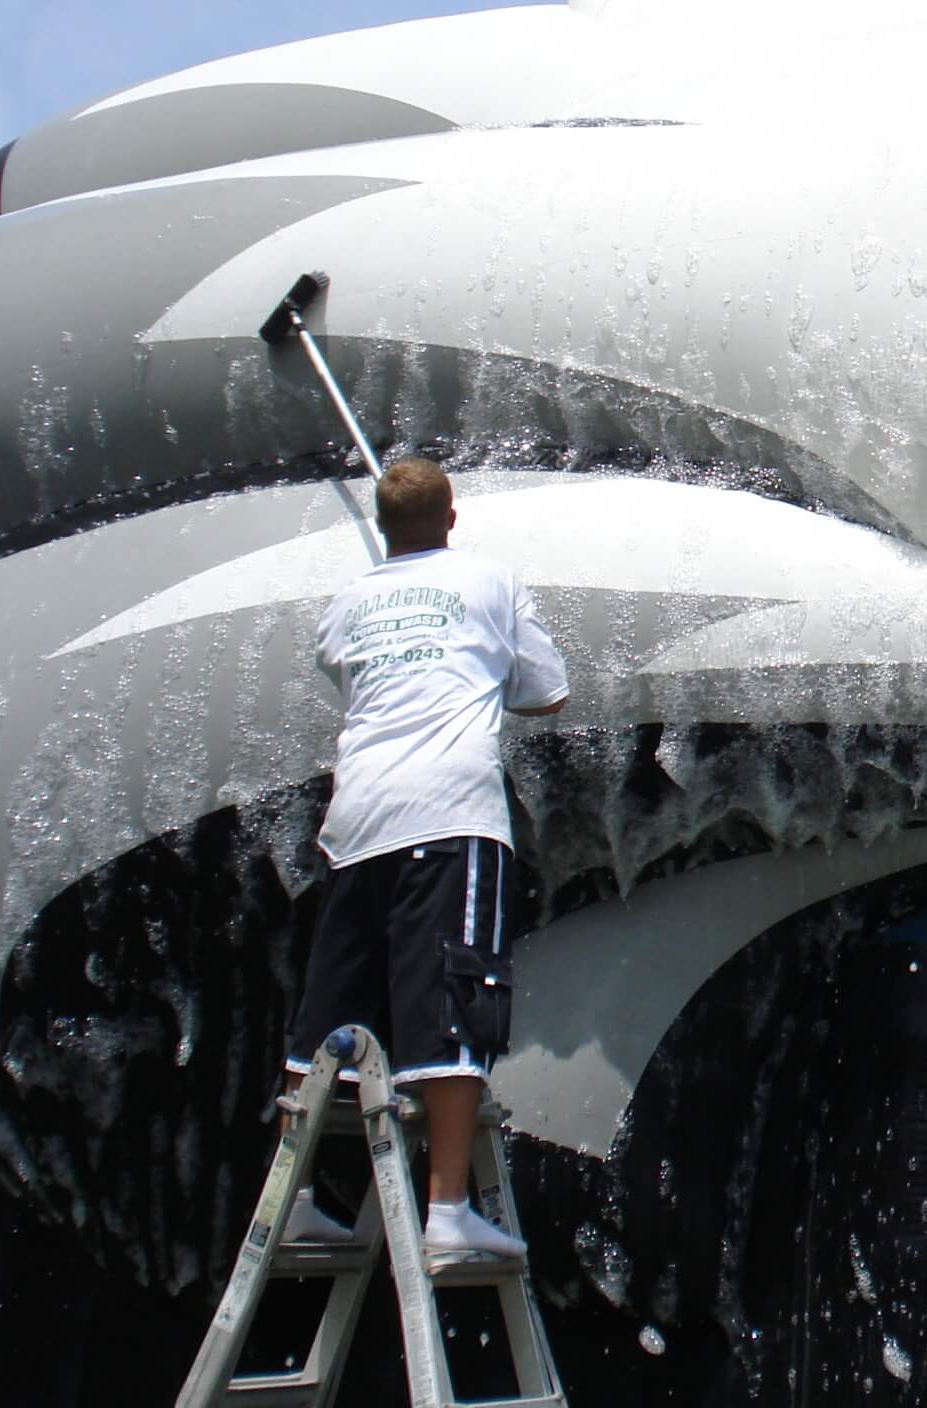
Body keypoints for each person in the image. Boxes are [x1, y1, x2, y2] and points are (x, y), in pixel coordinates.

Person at [279, 455, 569, 1270]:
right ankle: (446, 1212)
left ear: (381, 526)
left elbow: (350, 675)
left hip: (356, 820)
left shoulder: (347, 605)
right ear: (451, 517)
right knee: (454, 1002)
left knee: (326, 1013)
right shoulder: (490, 581)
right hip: (451, 815)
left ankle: (295, 1204)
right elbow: (548, 692)